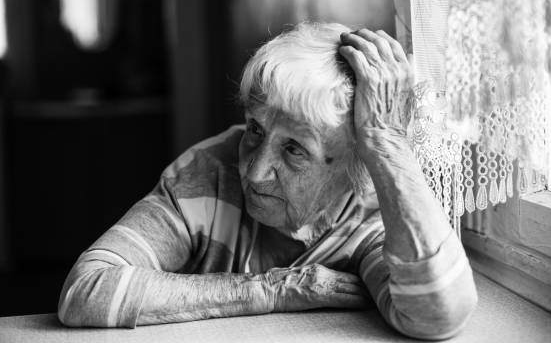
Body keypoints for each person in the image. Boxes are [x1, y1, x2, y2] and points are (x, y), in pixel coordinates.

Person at [57, 22, 477, 339]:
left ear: (357, 164)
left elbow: (439, 313)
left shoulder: (373, 209)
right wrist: (269, 290)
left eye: (294, 149)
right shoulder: (208, 177)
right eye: (255, 130)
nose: (254, 172)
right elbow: (86, 290)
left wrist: (386, 144)